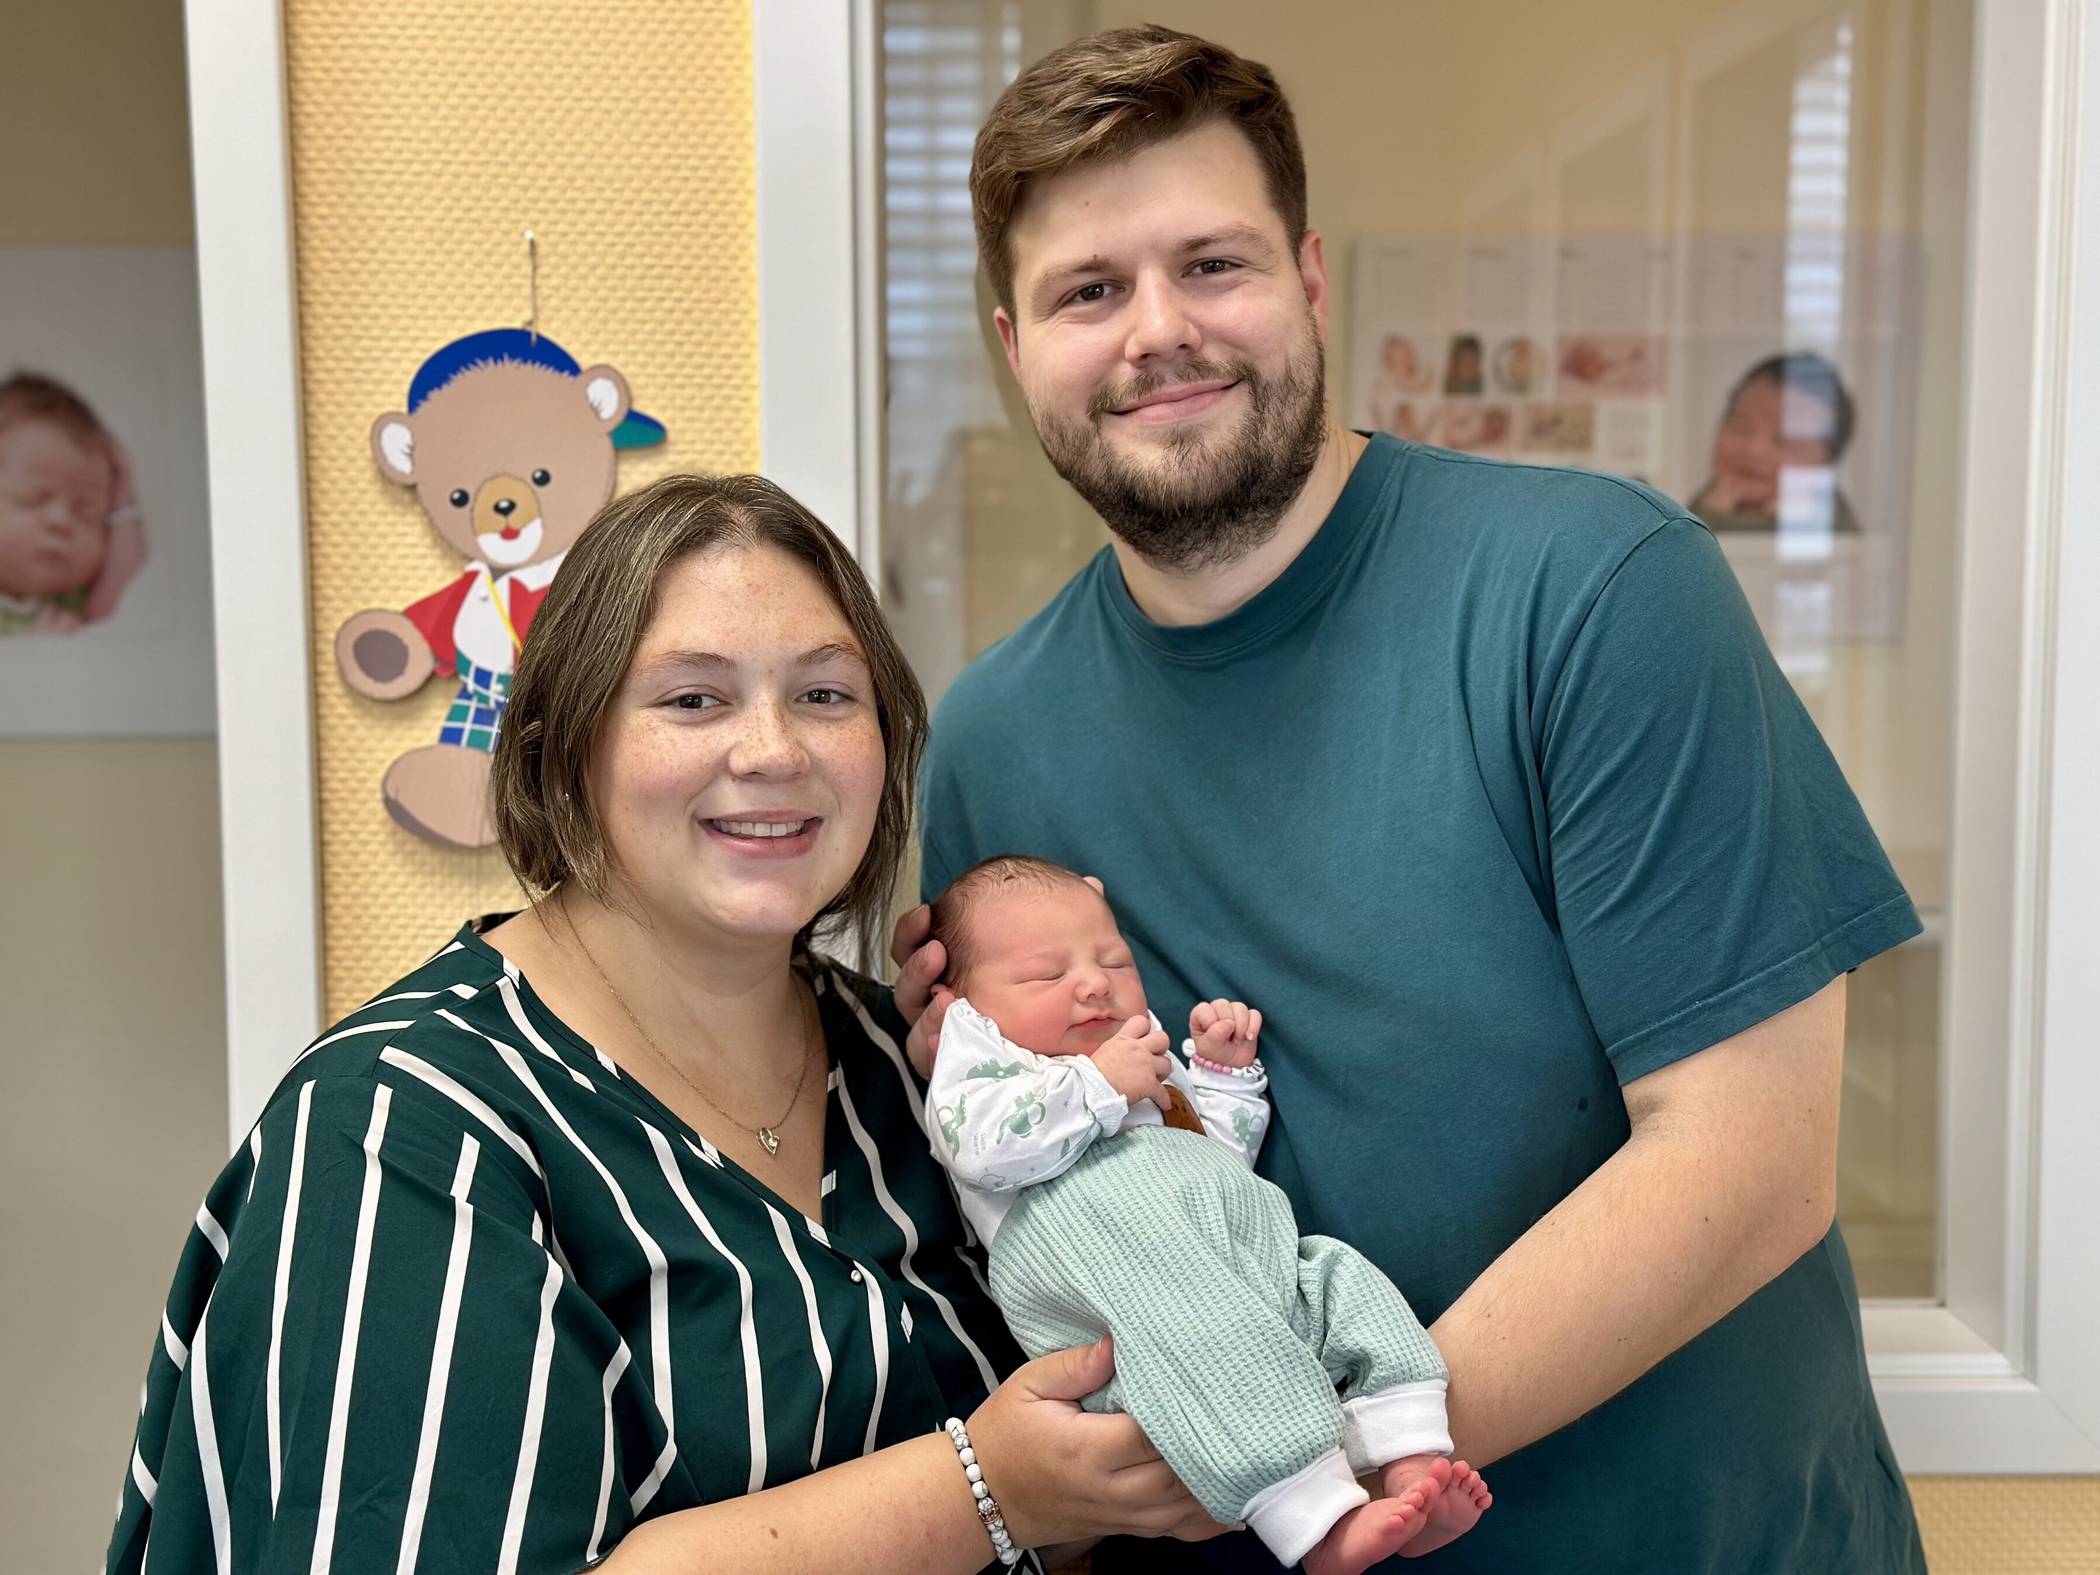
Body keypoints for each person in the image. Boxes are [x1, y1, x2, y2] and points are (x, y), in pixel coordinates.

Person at [893, 25, 1926, 1573]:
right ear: (1012, 341)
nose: (1158, 331)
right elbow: (1063, 1189)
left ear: (1311, 278)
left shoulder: (1595, 588)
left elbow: (1749, 1158)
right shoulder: (989, 739)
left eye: (1213, 264)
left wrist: (1337, 1447)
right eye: (1088, 291)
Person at [106, 474, 1226, 1573]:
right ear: (563, 750)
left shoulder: (906, 1072)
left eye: (827, 696)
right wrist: (987, 1489)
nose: (774, 752)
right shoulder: (400, 1126)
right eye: (693, 698)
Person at [924, 856, 1490, 1574]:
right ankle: (1319, 1524)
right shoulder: (986, 1069)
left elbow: (1209, 1151)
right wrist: (1099, 1084)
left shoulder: (1137, 1051)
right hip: (1133, 1281)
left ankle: (1409, 1453)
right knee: (1217, 1349)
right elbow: (984, 1149)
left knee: (1336, 1280)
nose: (1094, 982)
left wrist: (1222, 1077)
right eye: (1045, 974)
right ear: (964, 1008)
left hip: (1235, 1247)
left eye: (1112, 960)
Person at [0, 372, 145, 635]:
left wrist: (123, 505)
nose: (61, 521)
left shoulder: (72, 599)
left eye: (87, 514)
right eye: (33, 500)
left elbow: (130, 601)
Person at [1689, 351, 1862, 534]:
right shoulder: (1687, 513)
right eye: (1741, 428)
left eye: (1783, 442)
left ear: (1827, 464)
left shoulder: (1837, 536)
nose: (1754, 450)